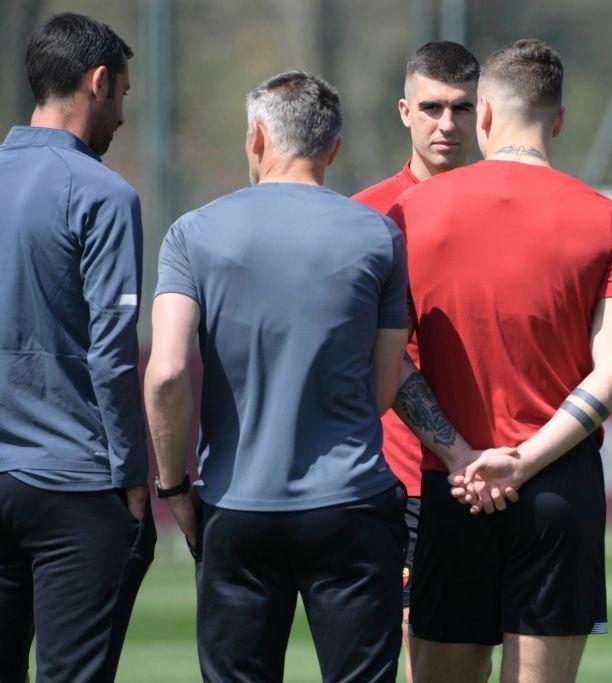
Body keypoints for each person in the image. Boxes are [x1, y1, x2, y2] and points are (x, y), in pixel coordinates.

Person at [387, 39, 612, 683]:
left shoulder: (409, 212)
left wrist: (461, 459)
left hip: (454, 490)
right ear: (558, 120)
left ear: (485, 115)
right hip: (560, 489)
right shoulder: (609, 220)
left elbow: (387, 363)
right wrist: (523, 462)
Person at [144, 71, 410, 682]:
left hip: (237, 507)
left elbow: (164, 375)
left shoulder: (192, 233)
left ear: (257, 137)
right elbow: (385, 388)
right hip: (350, 504)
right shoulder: (379, 235)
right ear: (333, 149)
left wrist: (174, 488)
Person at [0, 13, 155, 682]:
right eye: (120, 94)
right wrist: (132, 475)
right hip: (76, 482)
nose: (121, 114)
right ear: (98, 82)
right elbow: (114, 350)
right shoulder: (104, 193)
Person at [352, 40, 479, 682]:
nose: (446, 124)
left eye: (461, 108)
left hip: (508, 465)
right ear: (404, 111)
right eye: (431, 107)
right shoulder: (369, 216)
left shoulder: (508, 204)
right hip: (406, 478)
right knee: (419, 655)